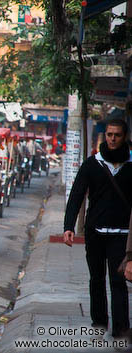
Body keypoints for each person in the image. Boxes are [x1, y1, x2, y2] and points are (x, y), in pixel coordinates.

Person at [64, 118, 132, 339]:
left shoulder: (130, 166)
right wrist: (68, 226)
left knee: (118, 281)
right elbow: (76, 196)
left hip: (121, 235)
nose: (112, 139)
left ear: (125, 137)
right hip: (95, 233)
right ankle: (99, 322)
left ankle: (121, 328)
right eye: (109, 135)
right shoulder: (93, 164)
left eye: (117, 135)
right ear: (105, 136)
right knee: (96, 279)